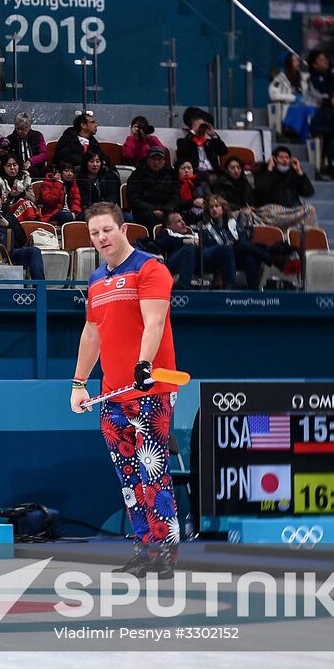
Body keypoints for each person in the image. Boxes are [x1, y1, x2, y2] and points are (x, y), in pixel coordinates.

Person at [70, 201, 181, 576]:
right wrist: (78, 383)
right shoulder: (96, 280)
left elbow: (154, 322)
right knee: (128, 479)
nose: (101, 238)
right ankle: (145, 550)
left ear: (123, 230)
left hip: (150, 390)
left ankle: (166, 552)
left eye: (106, 230)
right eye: (94, 233)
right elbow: (92, 333)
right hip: (111, 395)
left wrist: (143, 366)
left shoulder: (150, 268)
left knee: (153, 472)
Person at [0, 184, 44, 279]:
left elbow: (22, 240)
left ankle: (40, 288)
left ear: (2, 199)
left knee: (34, 251)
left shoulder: (8, 214)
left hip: (10, 254)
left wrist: (9, 225)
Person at [200, 196, 271, 289]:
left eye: (217, 206)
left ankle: (254, 294)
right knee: (239, 245)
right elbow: (210, 247)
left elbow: (242, 238)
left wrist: (234, 243)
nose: (214, 209)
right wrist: (230, 244)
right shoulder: (206, 227)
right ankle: (270, 258)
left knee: (250, 259)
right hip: (219, 257)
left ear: (223, 208)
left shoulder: (232, 222)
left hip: (236, 254)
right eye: (211, 207)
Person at [155, 210, 236, 289]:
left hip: (200, 258)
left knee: (226, 249)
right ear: (169, 225)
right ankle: (184, 287)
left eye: (182, 220)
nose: (183, 223)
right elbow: (161, 242)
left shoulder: (194, 233)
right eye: (178, 221)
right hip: (178, 260)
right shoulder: (166, 232)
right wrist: (184, 241)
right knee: (191, 247)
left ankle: (229, 289)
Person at [252, 145, 317, 228]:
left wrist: (299, 172)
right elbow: (261, 191)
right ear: (274, 159)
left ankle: (305, 238)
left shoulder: (294, 173)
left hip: (291, 211)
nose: (284, 160)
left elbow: (309, 192)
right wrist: (269, 169)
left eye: (287, 157)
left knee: (310, 209)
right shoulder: (265, 172)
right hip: (272, 211)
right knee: (267, 212)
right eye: (281, 157)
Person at [126, 147, 180, 230]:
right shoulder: (137, 175)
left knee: (178, 218)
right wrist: (152, 209)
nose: (156, 162)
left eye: (159, 159)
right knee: (148, 218)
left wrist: (165, 210)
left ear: (164, 161)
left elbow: (175, 197)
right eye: (153, 159)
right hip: (144, 211)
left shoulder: (171, 174)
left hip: (167, 210)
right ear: (147, 160)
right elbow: (134, 198)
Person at [0, 110, 48, 176]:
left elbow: (45, 154)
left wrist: (31, 161)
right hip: (17, 170)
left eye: (23, 129)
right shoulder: (10, 138)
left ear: (29, 127)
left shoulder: (38, 136)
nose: (19, 131)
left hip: (36, 167)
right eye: (17, 128)